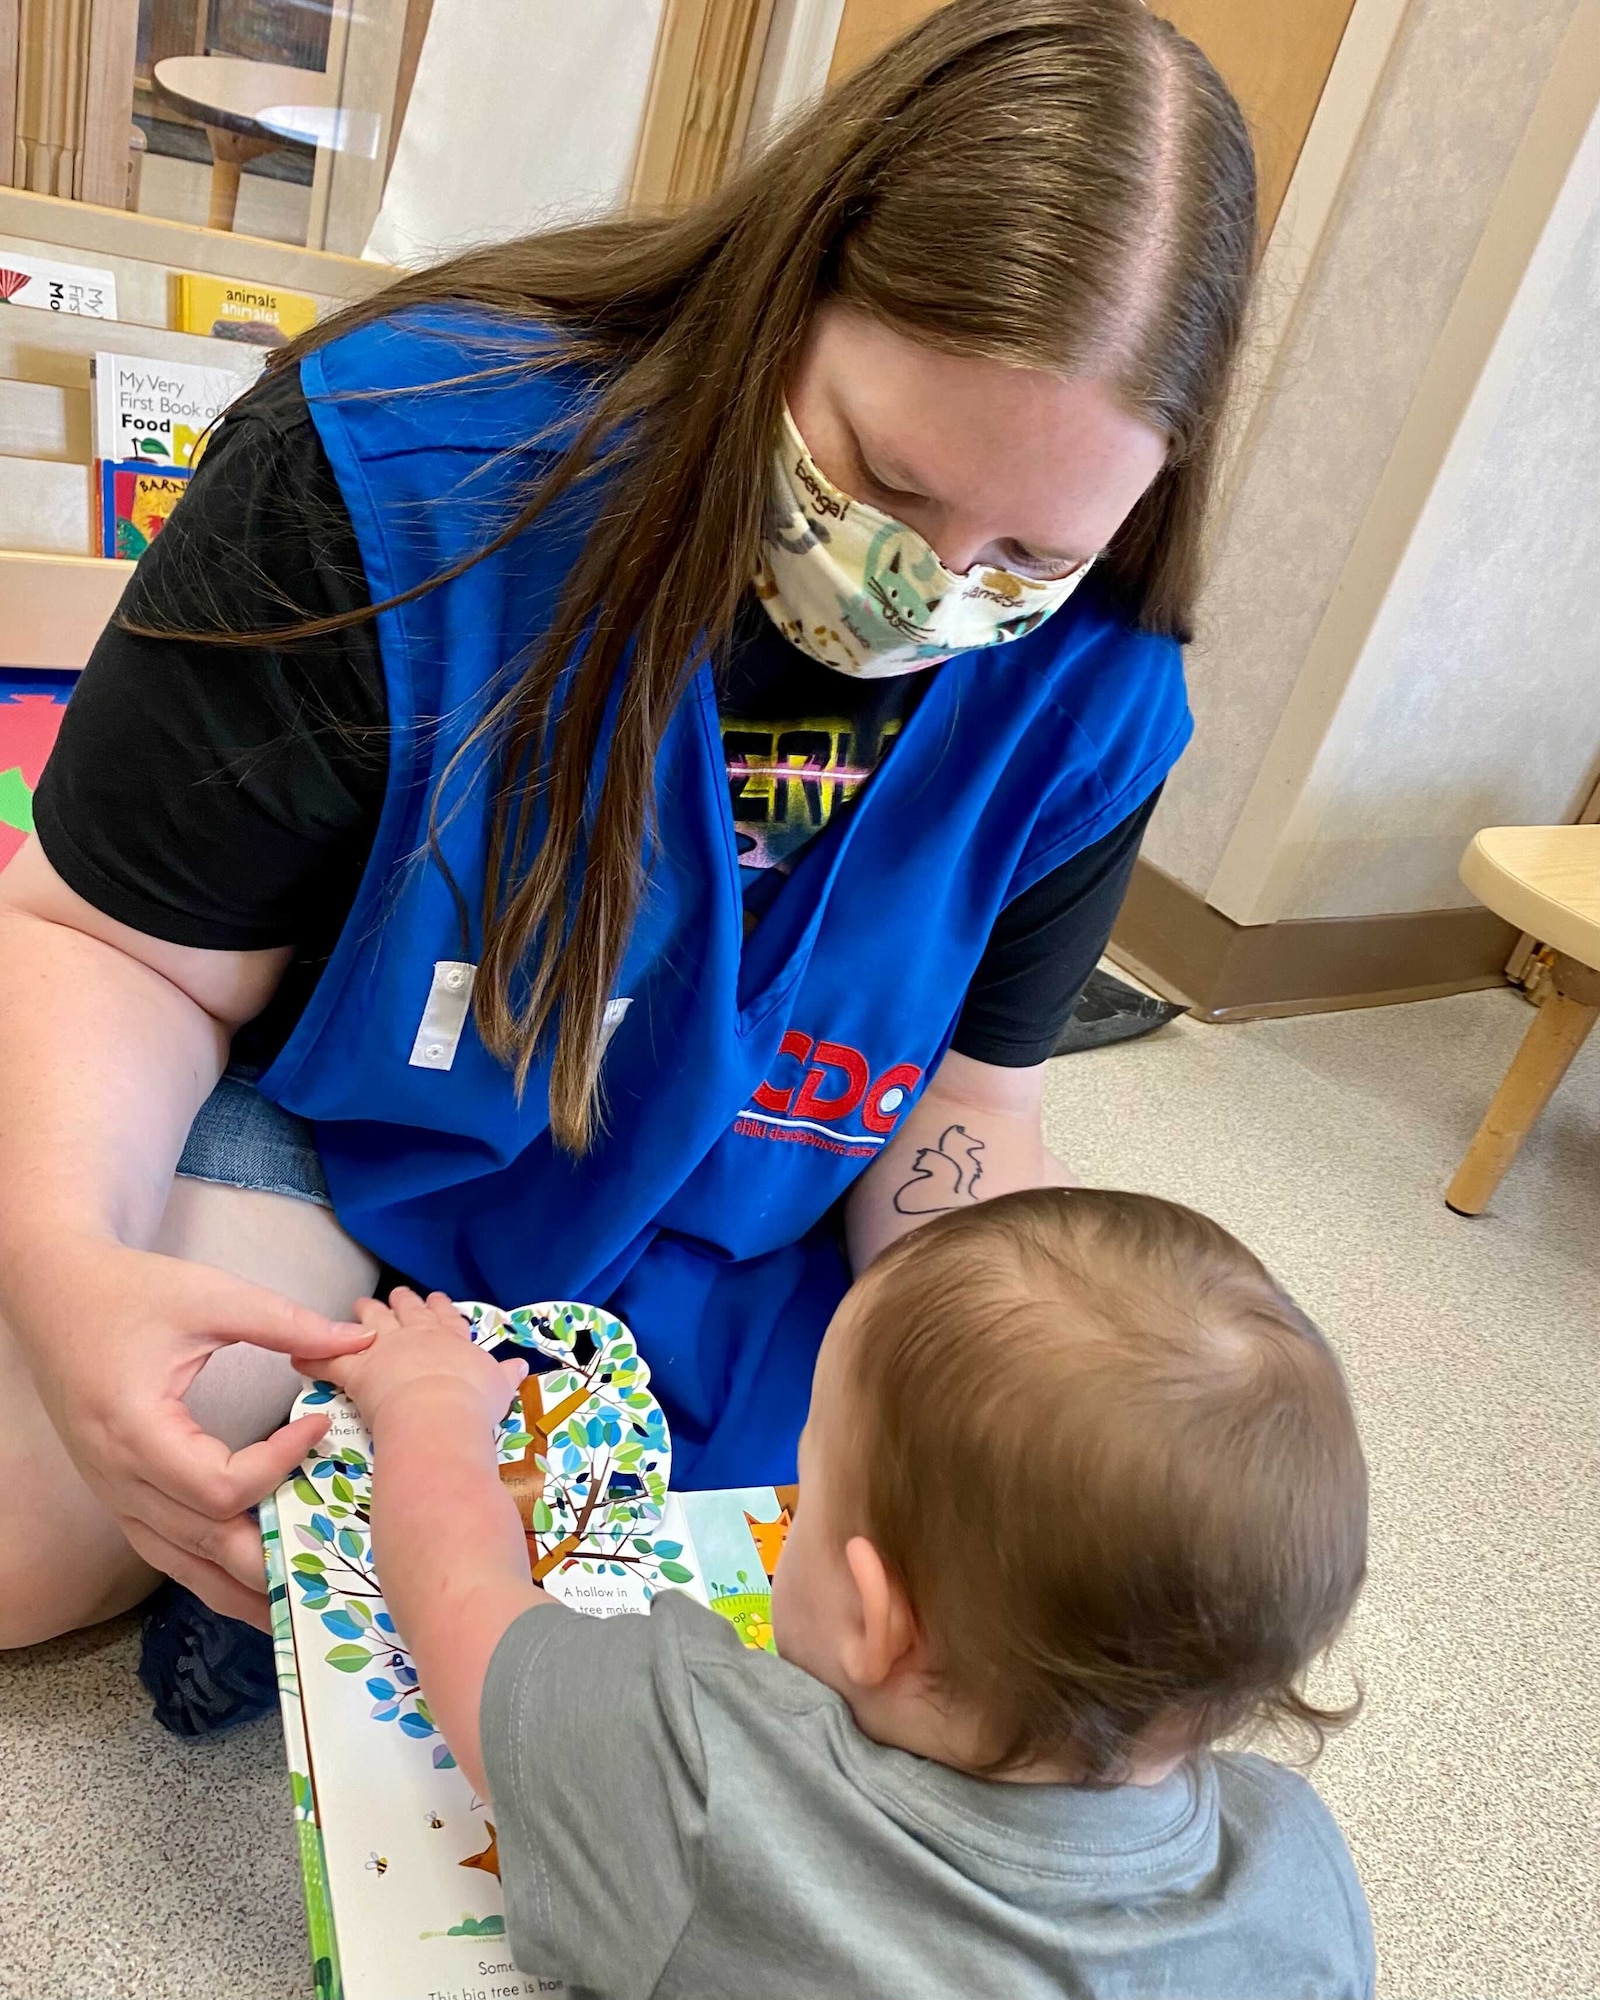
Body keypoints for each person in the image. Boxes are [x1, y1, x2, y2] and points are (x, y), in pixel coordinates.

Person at [0, 0, 1258, 1660]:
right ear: (784, 294)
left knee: (976, 1573)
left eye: (1031, 557)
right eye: (882, 477)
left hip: (735, 1213)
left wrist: (1003, 1403)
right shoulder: (401, 469)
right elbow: (112, 949)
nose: (929, 590)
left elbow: (963, 1114)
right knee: (33, 1543)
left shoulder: (1097, 690)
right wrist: (69, 1266)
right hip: (366, 1137)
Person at [310, 1188, 1374, 2000]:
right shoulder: (1296, 1875)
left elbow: (457, 1590)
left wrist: (432, 1404)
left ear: (877, 1621)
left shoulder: (701, 1767)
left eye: (808, 1488)